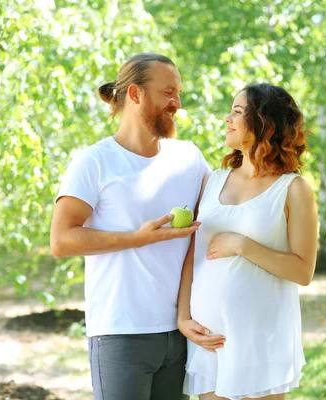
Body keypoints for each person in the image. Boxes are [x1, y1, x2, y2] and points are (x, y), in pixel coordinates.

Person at [50, 53, 212, 400]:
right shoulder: (93, 162)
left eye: (179, 93)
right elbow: (61, 240)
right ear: (136, 94)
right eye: (168, 92)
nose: (177, 103)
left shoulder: (190, 158)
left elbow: (222, 211)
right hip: (121, 332)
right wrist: (136, 239)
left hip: (182, 331)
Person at [177, 83, 318, 400]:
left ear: (264, 124)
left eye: (238, 112)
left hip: (261, 340)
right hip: (209, 339)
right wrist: (183, 316)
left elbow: (303, 271)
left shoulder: (293, 189)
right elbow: (193, 255)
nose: (228, 119)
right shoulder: (212, 181)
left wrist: (242, 246)